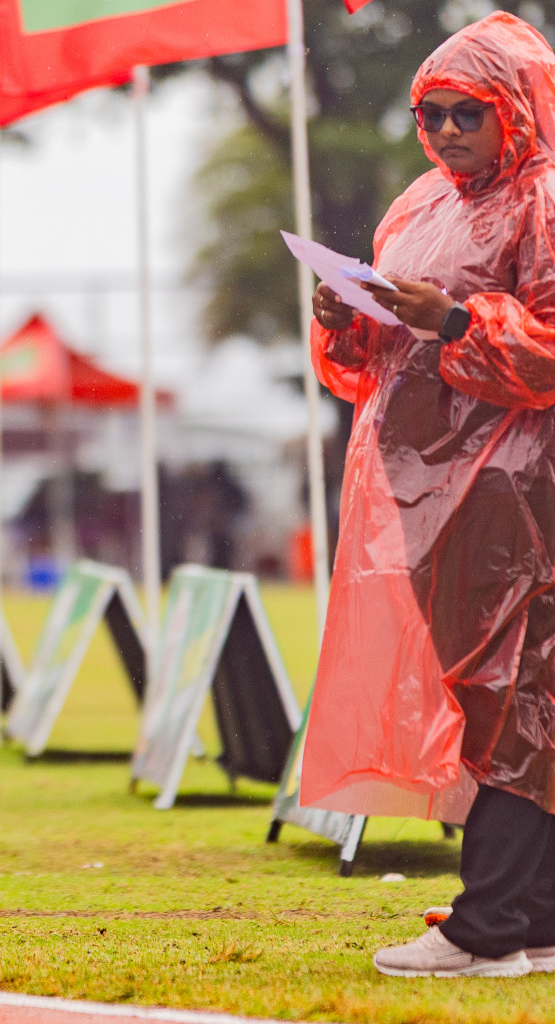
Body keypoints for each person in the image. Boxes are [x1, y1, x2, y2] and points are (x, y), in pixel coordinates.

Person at [305, 12, 555, 979]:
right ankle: (532, 919)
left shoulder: (543, 200)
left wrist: (453, 320)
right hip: (422, 497)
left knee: (513, 698)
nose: (446, 131)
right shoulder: (418, 205)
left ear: (517, 110)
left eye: (467, 112)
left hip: (519, 494)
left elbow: (546, 350)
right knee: (495, 698)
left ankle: (488, 926)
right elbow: (372, 363)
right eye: (431, 114)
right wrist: (347, 316)